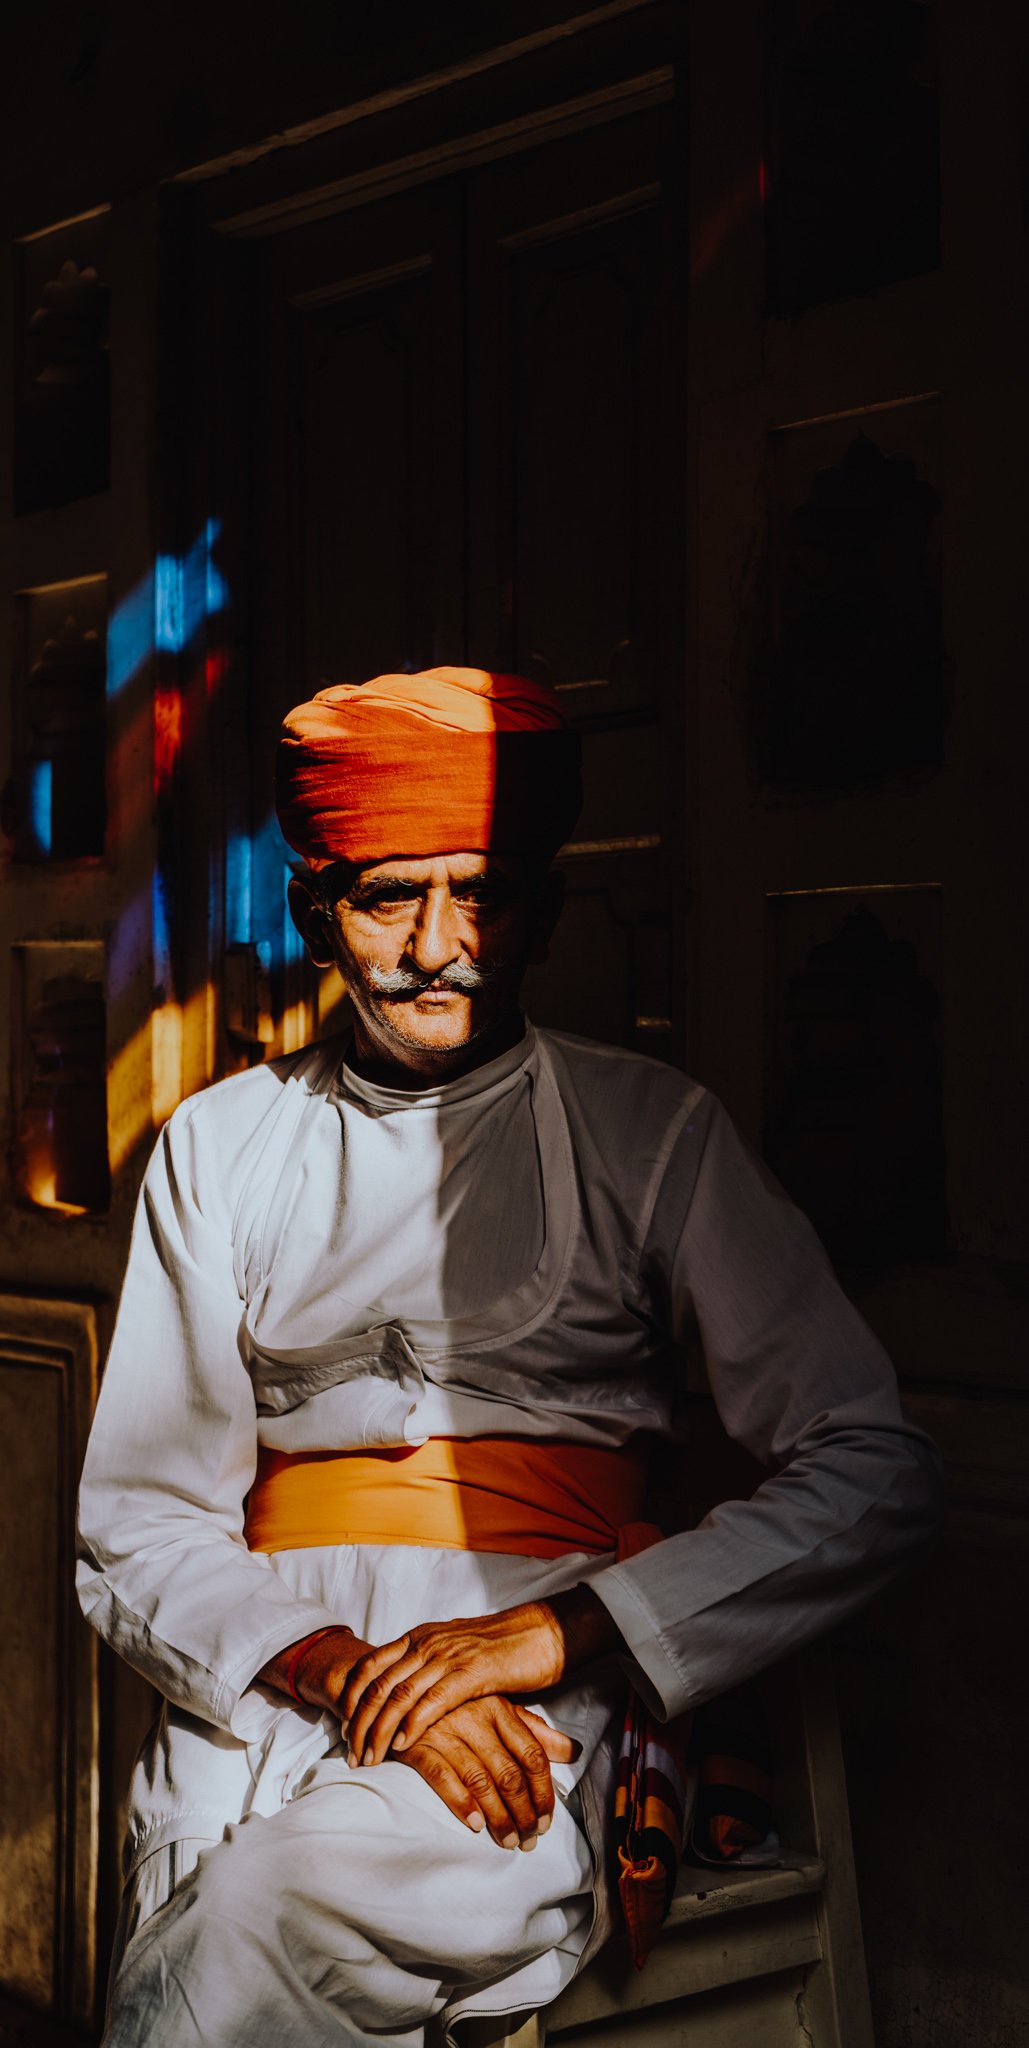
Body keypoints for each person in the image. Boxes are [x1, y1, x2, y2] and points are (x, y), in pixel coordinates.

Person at [76, 666, 941, 2047]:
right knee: (202, 1902)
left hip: (530, 1707)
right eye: (386, 897)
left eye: (478, 892)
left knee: (249, 1923)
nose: (438, 943)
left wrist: (551, 1637)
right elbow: (138, 1519)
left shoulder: (649, 1133)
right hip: (269, 1675)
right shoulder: (219, 1149)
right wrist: (346, 1673)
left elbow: (875, 1469)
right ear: (316, 914)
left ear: (538, 905)